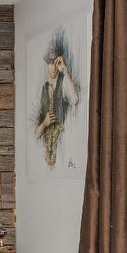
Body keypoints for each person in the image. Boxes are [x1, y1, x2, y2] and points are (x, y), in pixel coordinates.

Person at [34, 36, 79, 168]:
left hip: (61, 147)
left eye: (56, 62)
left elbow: (75, 100)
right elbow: (35, 133)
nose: (53, 67)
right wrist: (44, 123)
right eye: (50, 63)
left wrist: (65, 70)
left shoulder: (64, 82)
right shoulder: (43, 89)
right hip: (45, 149)